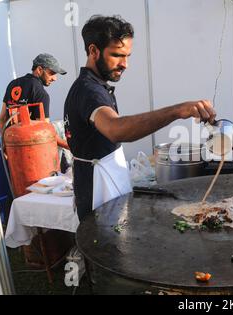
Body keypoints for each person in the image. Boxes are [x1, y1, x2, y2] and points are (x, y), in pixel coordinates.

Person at [64, 15, 216, 221]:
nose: (125, 64)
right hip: (96, 189)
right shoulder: (88, 90)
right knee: (101, 247)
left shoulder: (97, 86)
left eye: (128, 56)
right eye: (117, 55)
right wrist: (178, 111)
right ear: (93, 51)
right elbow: (116, 129)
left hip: (105, 179)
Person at [0, 53, 67, 132]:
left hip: (12, 141)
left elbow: (2, 118)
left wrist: (6, 142)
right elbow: (44, 131)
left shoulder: (12, 84)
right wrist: (66, 144)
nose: (55, 78)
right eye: (51, 73)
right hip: (32, 142)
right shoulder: (41, 94)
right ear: (39, 70)